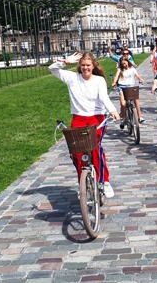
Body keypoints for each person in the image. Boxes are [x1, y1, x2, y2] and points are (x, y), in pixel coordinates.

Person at [49, 52, 121, 198]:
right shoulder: (72, 78)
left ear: (93, 66)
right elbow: (52, 69)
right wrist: (65, 61)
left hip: (96, 118)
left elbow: (103, 97)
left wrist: (112, 110)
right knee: (76, 152)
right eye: (82, 65)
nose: (85, 68)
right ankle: (83, 183)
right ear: (79, 66)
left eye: (88, 65)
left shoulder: (99, 80)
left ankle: (104, 181)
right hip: (79, 119)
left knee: (95, 147)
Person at [111, 57, 146, 127]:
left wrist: (141, 79)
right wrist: (114, 82)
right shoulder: (120, 70)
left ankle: (139, 117)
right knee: (123, 104)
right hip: (122, 87)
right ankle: (123, 119)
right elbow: (116, 76)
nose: (124, 65)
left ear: (127, 62)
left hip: (131, 87)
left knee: (136, 100)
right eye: (122, 64)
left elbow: (137, 75)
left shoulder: (132, 69)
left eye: (125, 63)